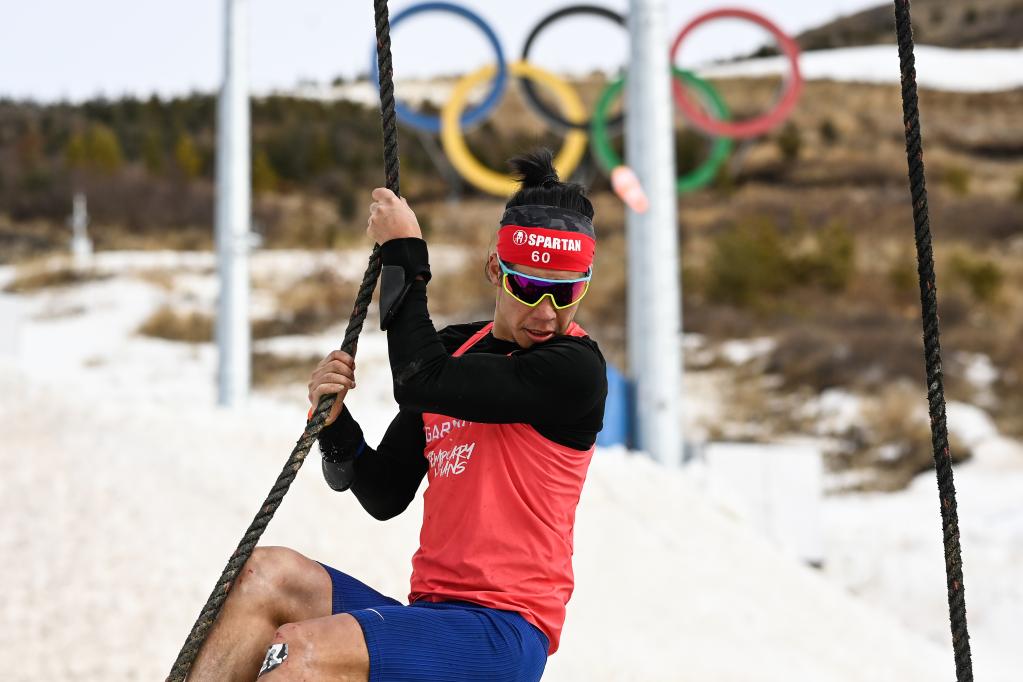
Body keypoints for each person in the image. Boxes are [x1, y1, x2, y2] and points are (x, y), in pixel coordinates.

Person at [189, 149, 608, 681]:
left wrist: (405, 250)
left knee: (301, 656)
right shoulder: (455, 355)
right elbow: (384, 492)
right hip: (430, 618)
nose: (546, 313)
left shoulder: (574, 369)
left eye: (565, 293)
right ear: (493, 268)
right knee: (263, 575)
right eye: (526, 287)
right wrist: (336, 424)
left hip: (502, 634)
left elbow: (415, 378)